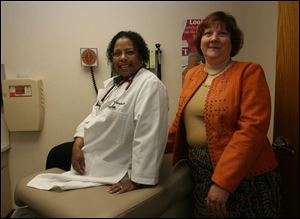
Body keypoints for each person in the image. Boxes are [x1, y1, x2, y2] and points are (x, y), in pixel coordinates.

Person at [166, 11, 280, 218]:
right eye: (208, 33)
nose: (214, 38)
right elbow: (179, 123)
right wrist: (143, 154)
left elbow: (252, 131)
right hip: (200, 173)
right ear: (200, 40)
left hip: (244, 176)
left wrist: (223, 183)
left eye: (222, 33)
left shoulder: (249, 72)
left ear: (233, 41)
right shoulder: (191, 75)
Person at [36, 30, 169, 194]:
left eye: (129, 52)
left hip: (116, 160)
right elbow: (94, 114)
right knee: (57, 153)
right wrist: (78, 141)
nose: (122, 58)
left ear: (141, 56)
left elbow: (150, 135)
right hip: (98, 149)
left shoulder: (150, 85)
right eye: (117, 53)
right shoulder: (113, 84)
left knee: (56, 158)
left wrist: (137, 179)